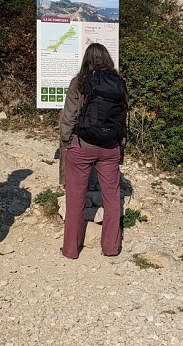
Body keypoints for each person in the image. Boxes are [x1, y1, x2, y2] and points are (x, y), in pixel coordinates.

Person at [59, 43, 125, 259]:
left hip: (82, 146)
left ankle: (71, 249)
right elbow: (122, 117)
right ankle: (111, 247)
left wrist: (67, 141)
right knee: (112, 198)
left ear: (86, 59)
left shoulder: (79, 81)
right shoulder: (118, 83)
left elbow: (69, 116)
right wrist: (120, 145)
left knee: (75, 198)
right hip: (110, 148)